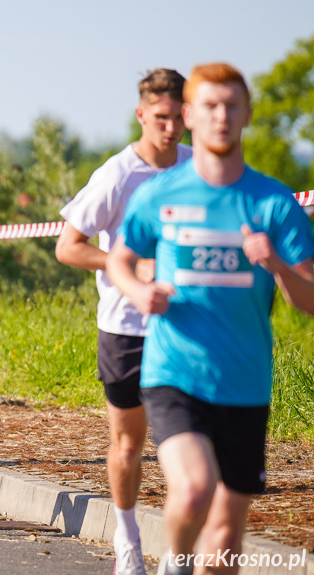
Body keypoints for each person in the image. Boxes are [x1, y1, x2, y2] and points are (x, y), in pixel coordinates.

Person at [106, 63, 314, 575]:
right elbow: (118, 259)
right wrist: (138, 290)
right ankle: (174, 561)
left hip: (246, 382)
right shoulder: (160, 194)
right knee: (195, 488)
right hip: (175, 373)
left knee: (224, 541)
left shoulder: (273, 202)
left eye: (231, 105)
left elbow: (309, 298)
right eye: (210, 106)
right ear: (189, 115)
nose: (222, 116)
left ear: (246, 113)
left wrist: (277, 265)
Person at [55, 69, 190, 575]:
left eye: (179, 118)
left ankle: (178, 551)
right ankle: (128, 539)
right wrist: (131, 266)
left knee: (185, 445)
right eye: (161, 118)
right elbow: (67, 247)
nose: (171, 129)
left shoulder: (199, 169)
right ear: (141, 115)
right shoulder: (118, 174)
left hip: (184, 328)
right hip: (126, 328)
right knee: (130, 445)